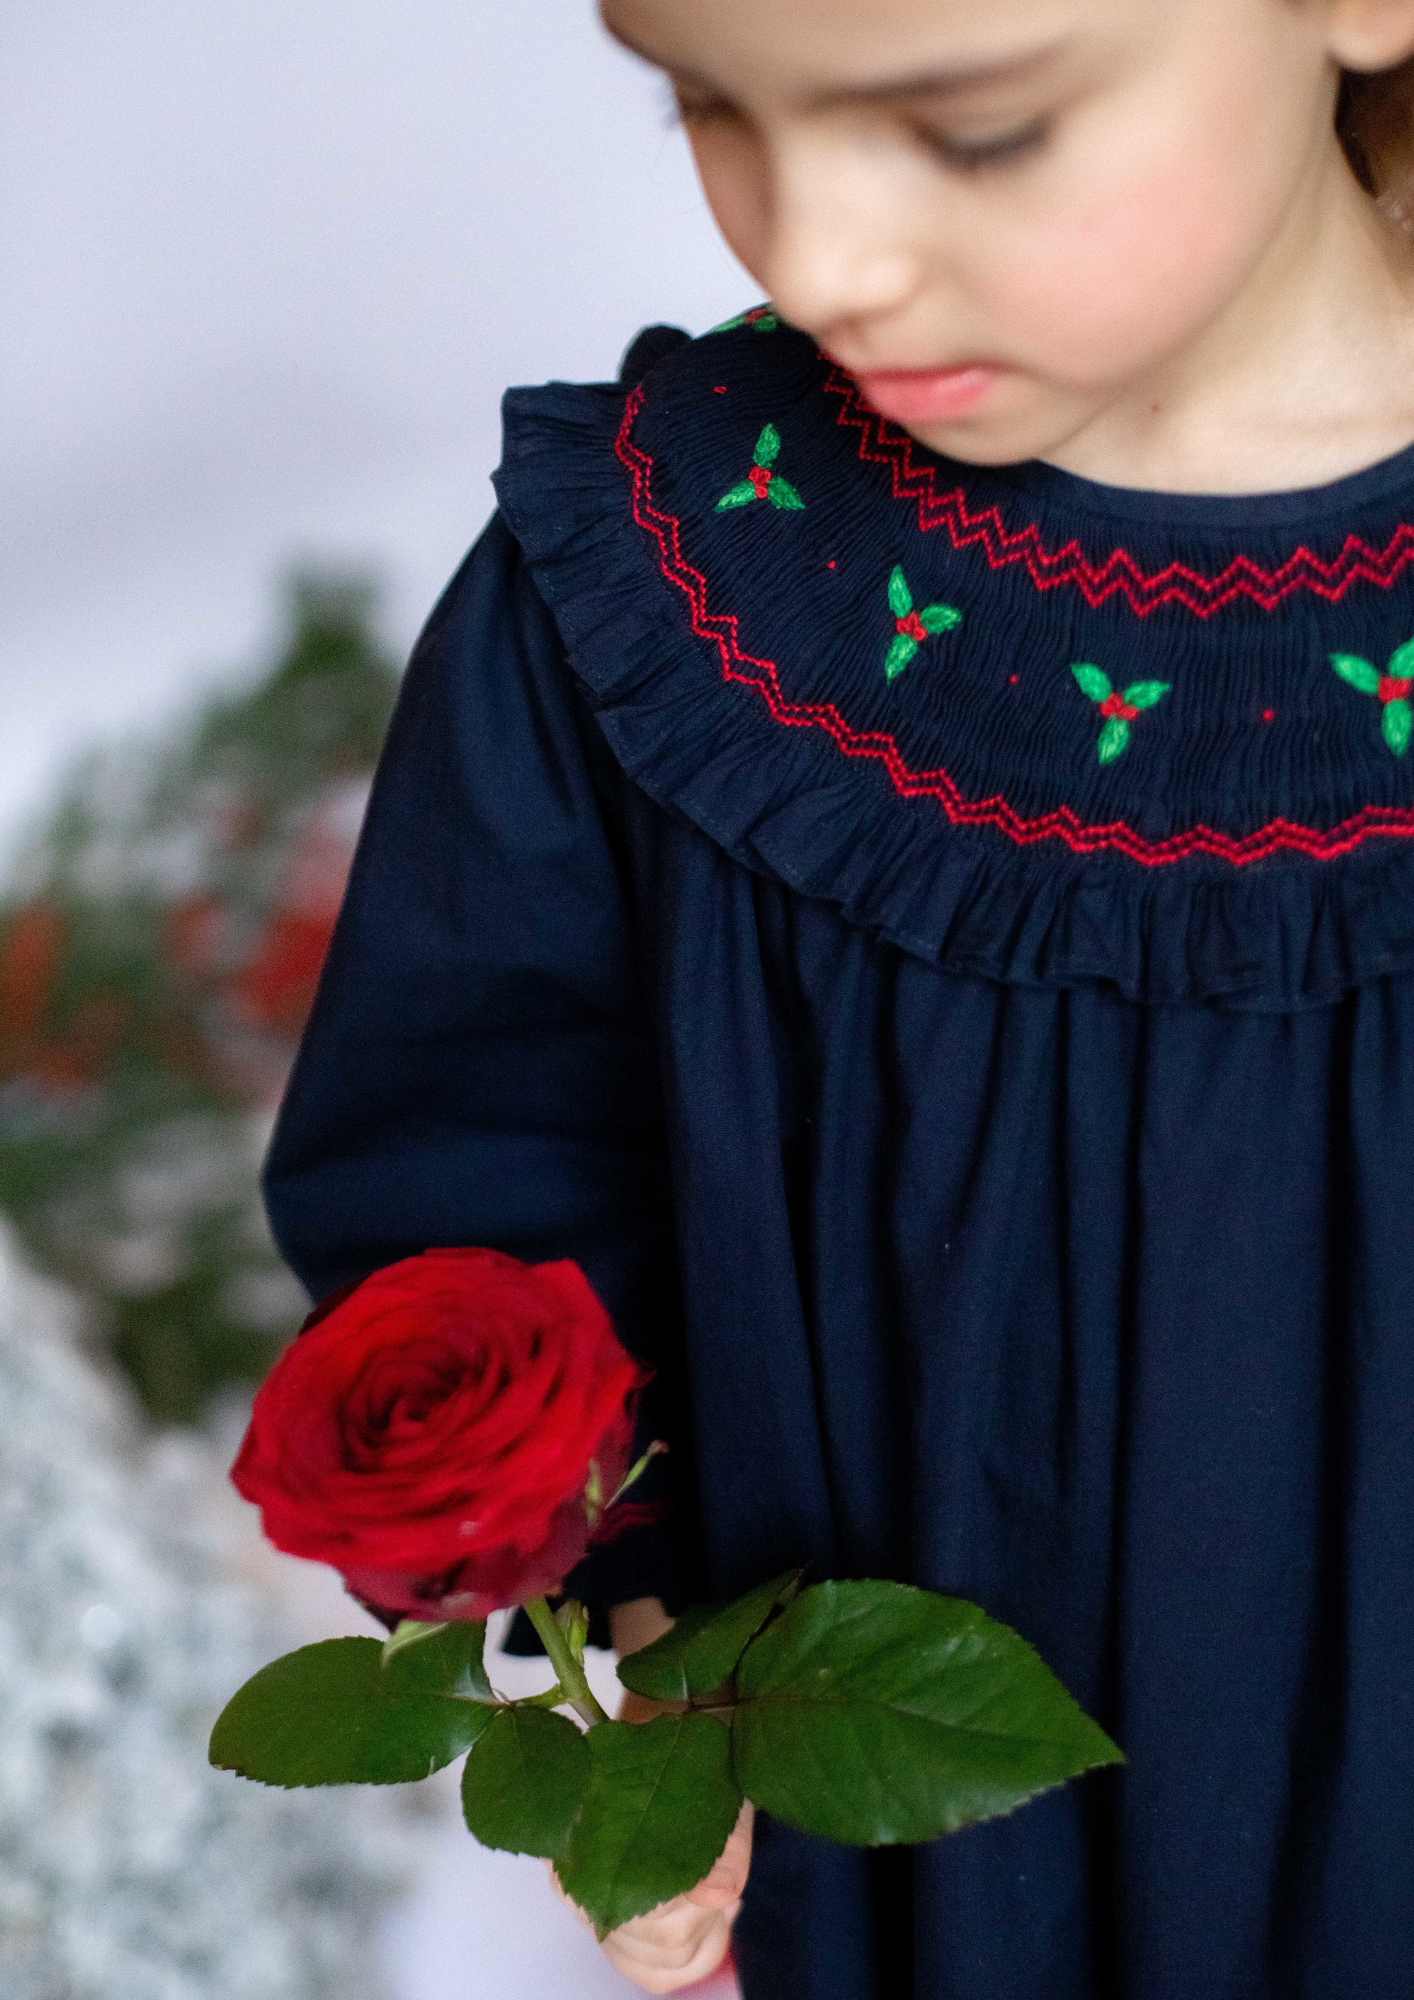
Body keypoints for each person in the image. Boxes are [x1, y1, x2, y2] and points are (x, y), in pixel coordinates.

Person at [262, 1, 1414, 1993]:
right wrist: (627, 1660)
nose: (814, 257)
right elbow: (477, 1186)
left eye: (968, 130)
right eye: (706, 101)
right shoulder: (655, 588)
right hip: (933, 1900)